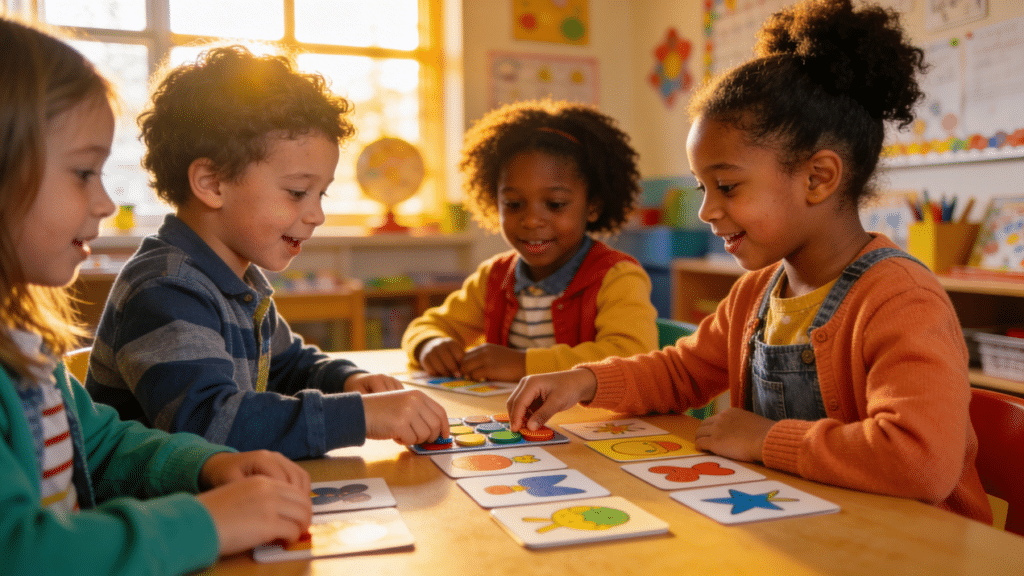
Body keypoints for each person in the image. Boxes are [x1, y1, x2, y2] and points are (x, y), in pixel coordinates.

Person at [506, 0, 992, 523]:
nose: (707, 211)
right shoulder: (757, 292)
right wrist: (584, 381)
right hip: (803, 525)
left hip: (914, 546)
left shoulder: (899, 298)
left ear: (818, 178)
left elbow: (920, 461)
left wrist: (766, 440)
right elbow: (681, 372)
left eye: (728, 186)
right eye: (702, 187)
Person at [0, 17, 315, 575]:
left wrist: (210, 467)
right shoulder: (167, 283)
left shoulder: (22, 346)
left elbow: (98, 447)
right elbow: (18, 551)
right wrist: (209, 523)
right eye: (82, 173)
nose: (104, 202)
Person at [85, 45, 448, 460]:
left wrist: (347, 381)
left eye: (321, 193)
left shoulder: (238, 279)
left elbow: (287, 365)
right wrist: (358, 416)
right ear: (212, 183)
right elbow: (210, 424)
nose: (316, 214)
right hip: (158, 514)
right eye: (297, 192)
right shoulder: (166, 288)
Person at [401, 99, 658, 382]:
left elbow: (632, 355)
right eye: (513, 204)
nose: (531, 220)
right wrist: (430, 343)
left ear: (593, 206)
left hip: (588, 422)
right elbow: (430, 325)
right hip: (508, 421)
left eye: (555, 204)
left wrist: (524, 364)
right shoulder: (494, 277)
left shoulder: (617, 277)